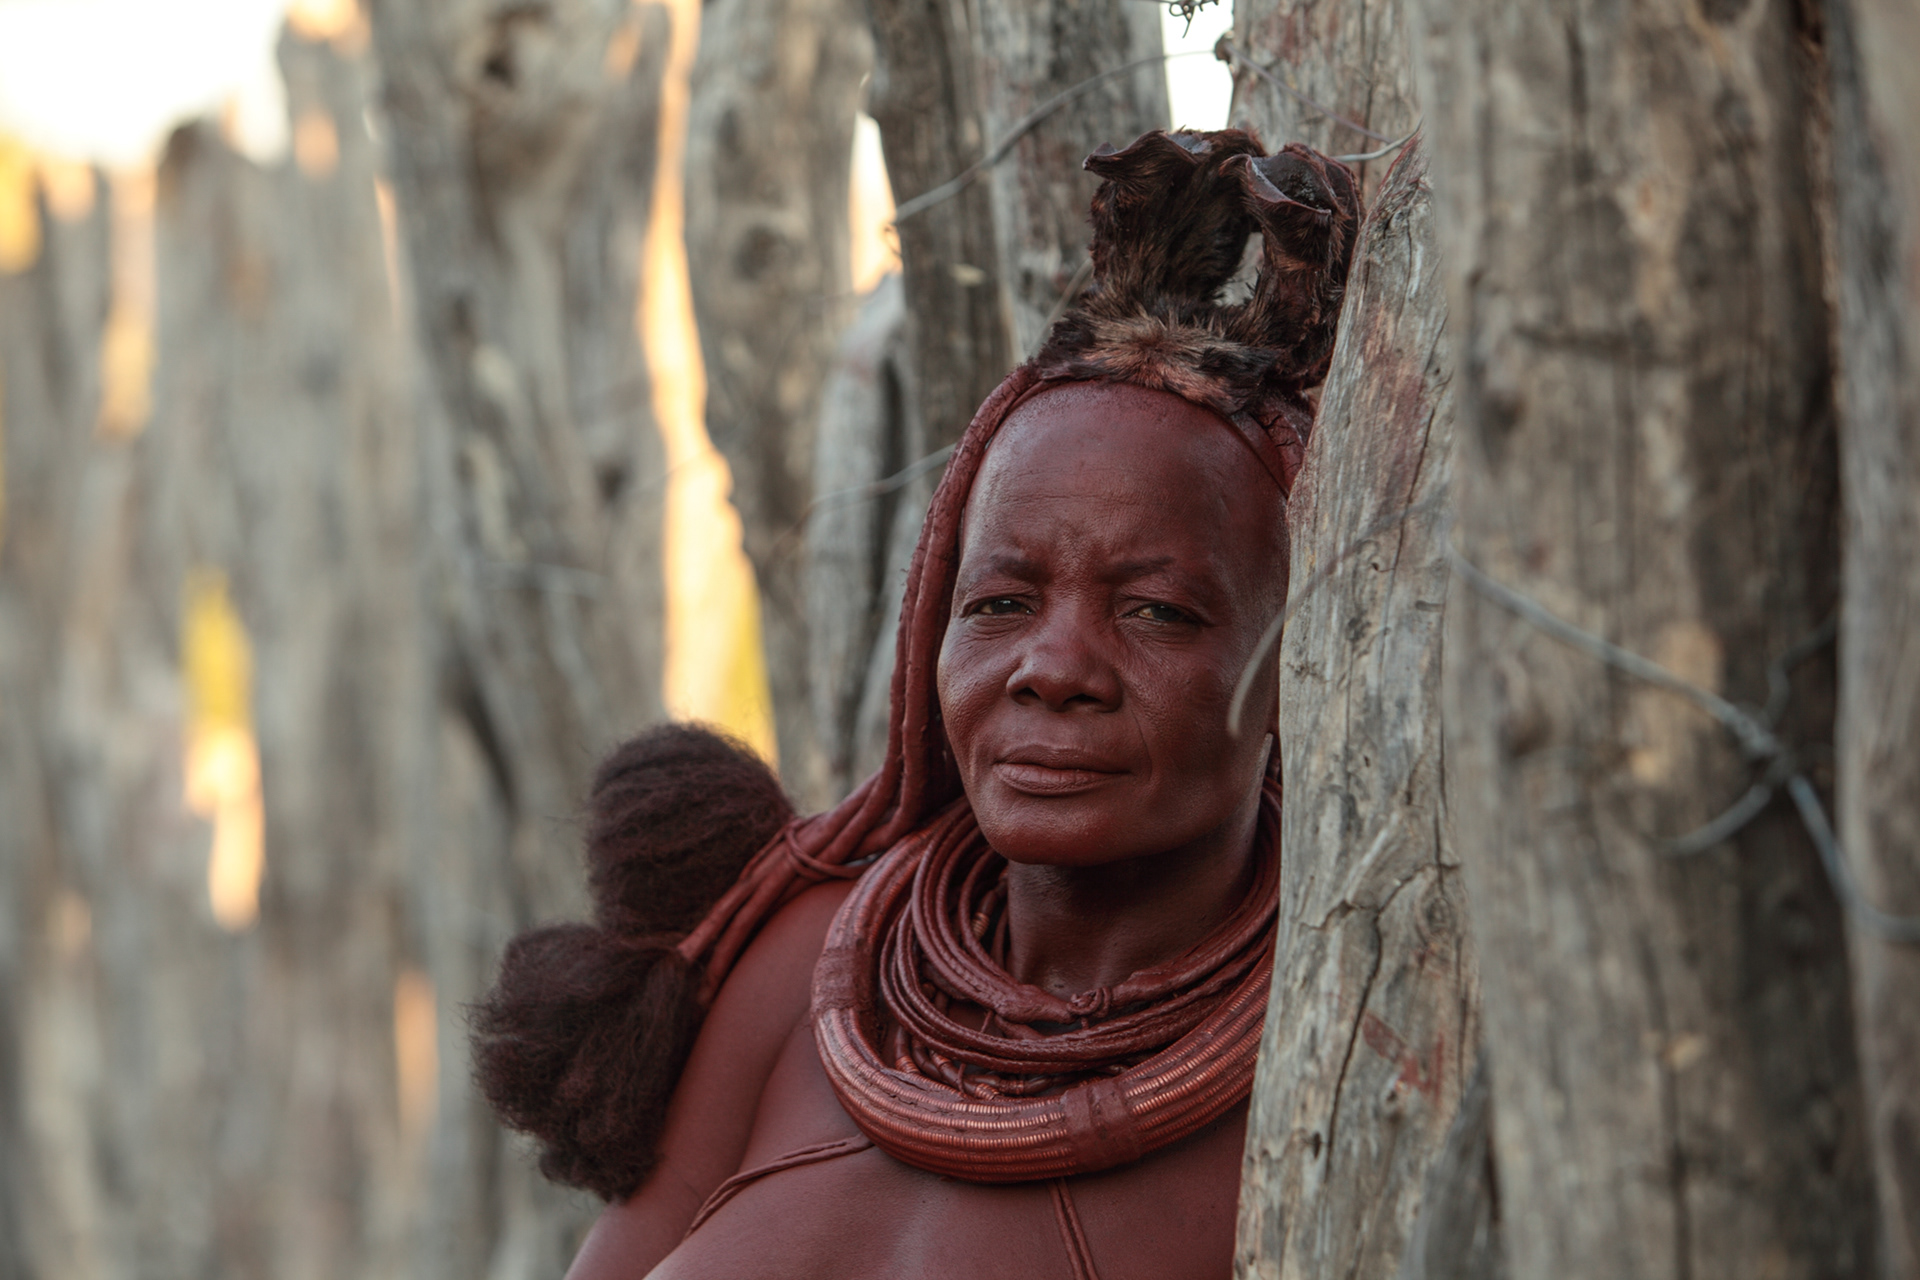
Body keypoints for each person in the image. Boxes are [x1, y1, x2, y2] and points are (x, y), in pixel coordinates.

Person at [473, 128, 1359, 1280]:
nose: (1055, 665)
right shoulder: (817, 954)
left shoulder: (1332, 1076)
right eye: (999, 602)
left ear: (1293, 664)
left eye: (1156, 612)